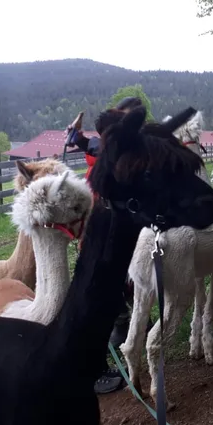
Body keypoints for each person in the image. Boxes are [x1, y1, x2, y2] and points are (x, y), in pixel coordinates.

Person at [65, 97, 146, 394]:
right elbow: (89, 146)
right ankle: (96, 365)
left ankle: (128, 333)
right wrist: (75, 136)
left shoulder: (126, 149)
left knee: (123, 289)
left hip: (118, 231)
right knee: (98, 299)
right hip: (100, 234)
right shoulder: (110, 149)